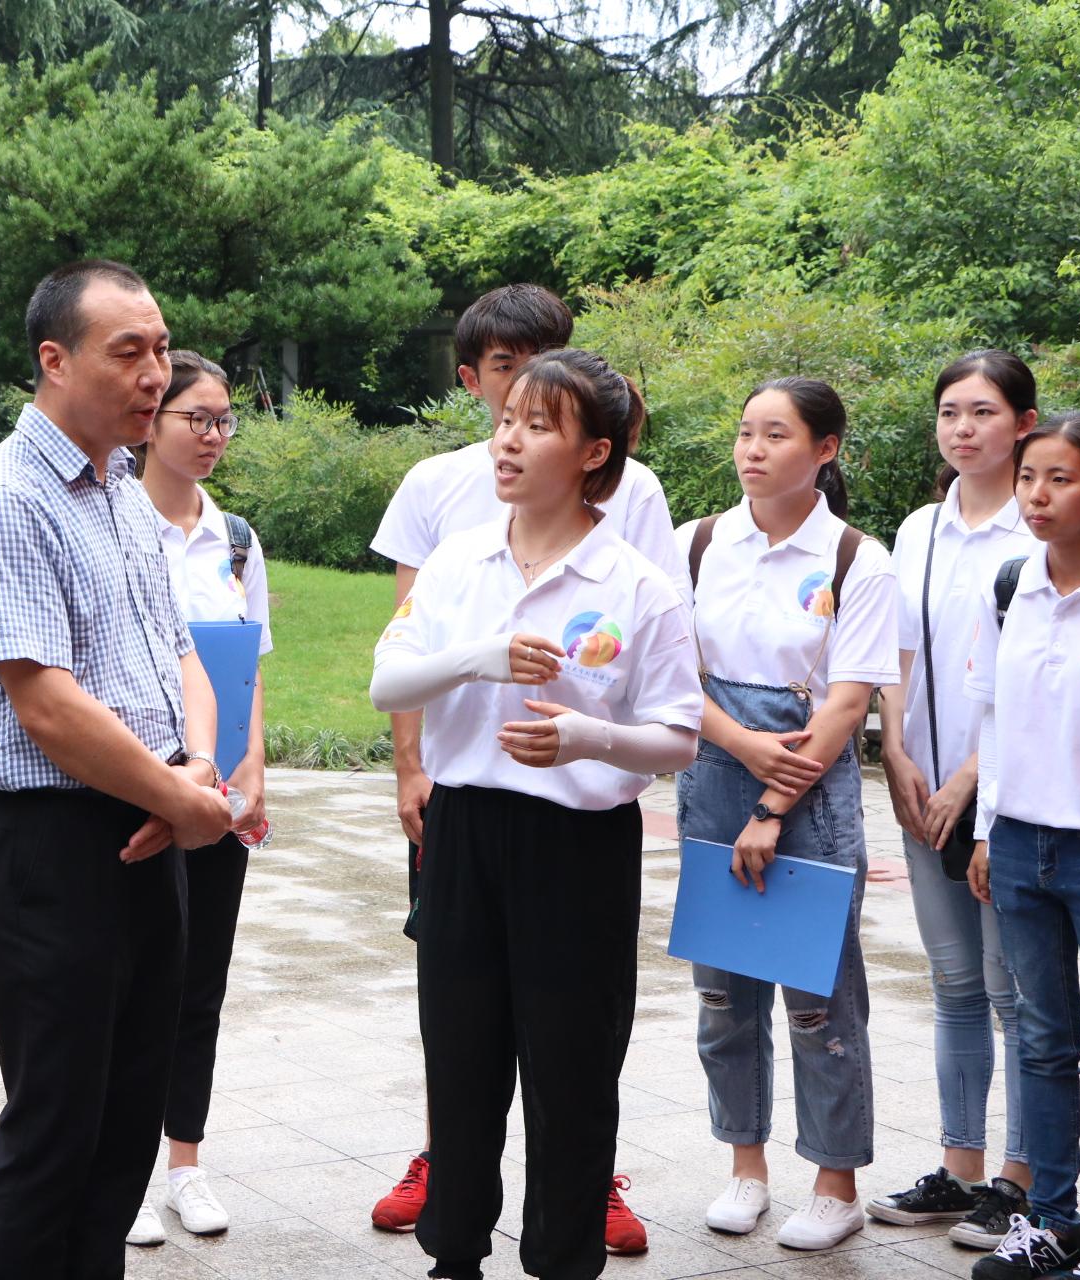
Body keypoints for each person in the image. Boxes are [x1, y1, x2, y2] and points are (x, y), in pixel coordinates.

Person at [370, 348, 702, 1280]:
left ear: (595, 453)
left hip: (579, 849)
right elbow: (388, 682)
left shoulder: (637, 585)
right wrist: (478, 659)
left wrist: (589, 739)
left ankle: (562, 1257)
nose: (507, 442)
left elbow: (678, 737)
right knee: (460, 1056)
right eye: (507, 419)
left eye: (537, 426)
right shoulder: (458, 563)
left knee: (572, 1070)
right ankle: (454, 1252)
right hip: (462, 834)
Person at [0, 259, 235, 1280]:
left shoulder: (121, 491)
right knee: (55, 1138)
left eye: (162, 348)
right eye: (129, 351)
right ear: (54, 360)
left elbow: (180, 652)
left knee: (123, 1131)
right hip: (52, 852)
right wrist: (179, 798)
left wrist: (196, 772)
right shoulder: (4, 499)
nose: (156, 373)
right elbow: (46, 704)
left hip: (148, 831)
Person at [677, 377, 898, 1251]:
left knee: (819, 1000)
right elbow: (672, 674)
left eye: (776, 434)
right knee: (723, 995)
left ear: (825, 449)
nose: (753, 449)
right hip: (714, 775)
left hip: (809, 794)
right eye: (745, 432)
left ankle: (836, 1184)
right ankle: (746, 1167)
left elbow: (847, 702)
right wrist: (741, 745)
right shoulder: (697, 543)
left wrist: (772, 801)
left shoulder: (856, 559)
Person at [868, 352, 1036, 1247]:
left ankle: (1021, 1179)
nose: (962, 429)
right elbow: (895, 651)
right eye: (949, 413)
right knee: (955, 984)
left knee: (1016, 994)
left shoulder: (1040, 527)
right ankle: (959, 1168)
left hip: (1008, 798)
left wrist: (972, 775)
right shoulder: (920, 528)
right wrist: (893, 748)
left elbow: (1028, 676)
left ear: (1024, 424)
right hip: (922, 788)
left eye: (982, 412)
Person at [124, 350, 273, 1247]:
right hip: (133, 782)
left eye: (224, 420)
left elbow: (251, 667)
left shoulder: (237, 540)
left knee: (199, 982)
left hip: (216, 792)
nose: (214, 435)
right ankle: (123, 1171)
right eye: (197, 418)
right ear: (151, 422)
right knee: (130, 983)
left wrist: (252, 771)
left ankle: (185, 1163)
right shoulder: (116, 522)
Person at [962, 412, 1080, 1280]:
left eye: (1061, 478)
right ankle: (1050, 1222)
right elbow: (993, 718)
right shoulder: (1010, 585)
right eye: (1028, 478)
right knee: (1042, 1041)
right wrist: (986, 830)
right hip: (1019, 846)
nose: (1037, 496)